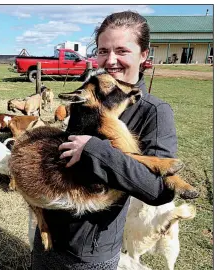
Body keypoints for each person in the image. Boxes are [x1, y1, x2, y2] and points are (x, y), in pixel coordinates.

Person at [31, 11, 177, 269]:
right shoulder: (88, 97)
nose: (110, 60)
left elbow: (159, 190)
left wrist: (95, 151)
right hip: (52, 230)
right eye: (102, 51)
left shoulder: (153, 112)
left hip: (91, 249)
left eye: (122, 50)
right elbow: (66, 154)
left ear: (143, 55)